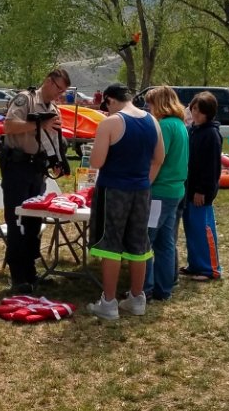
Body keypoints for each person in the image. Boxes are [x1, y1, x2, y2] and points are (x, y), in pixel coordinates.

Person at [86, 83, 163, 320]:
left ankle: (108, 302)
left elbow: (96, 162)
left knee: (111, 245)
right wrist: (144, 182)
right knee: (139, 245)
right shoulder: (153, 121)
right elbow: (159, 158)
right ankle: (137, 298)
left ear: (109, 100)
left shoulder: (110, 123)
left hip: (114, 190)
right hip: (141, 191)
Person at [0, 68, 71, 293]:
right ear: (48, 81)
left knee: (34, 223)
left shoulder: (53, 108)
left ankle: (31, 272)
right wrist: (39, 125)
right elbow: (9, 126)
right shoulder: (26, 99)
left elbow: (52, 137)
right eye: (58, 88)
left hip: (37, 169)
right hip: (17, 169)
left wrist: (58, 158)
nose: (60, 95)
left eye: (63, 91)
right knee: (17, 221)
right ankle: (17, 276)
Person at [140, 85, 188, 302]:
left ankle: (146, 288)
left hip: (160, 190)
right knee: (165, 241)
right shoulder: (180, 124)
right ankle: (164, 288)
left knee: (146, 240)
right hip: (175, 190)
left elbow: (157, 159)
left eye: (150, 105)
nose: (148, 109)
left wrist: (145, 183)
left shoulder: (165, 126)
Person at [180, 91, 223, 281]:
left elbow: (211, 167)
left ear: (209, 112)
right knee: (191, 228)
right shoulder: (192, 130)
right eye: (194, 109)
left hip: (201, 191)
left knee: (203, 228)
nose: (195, 113)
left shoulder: (211, 134)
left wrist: (202, 191)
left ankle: (210, 269)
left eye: (200, 110)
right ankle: (195, 264)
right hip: (188, 189)